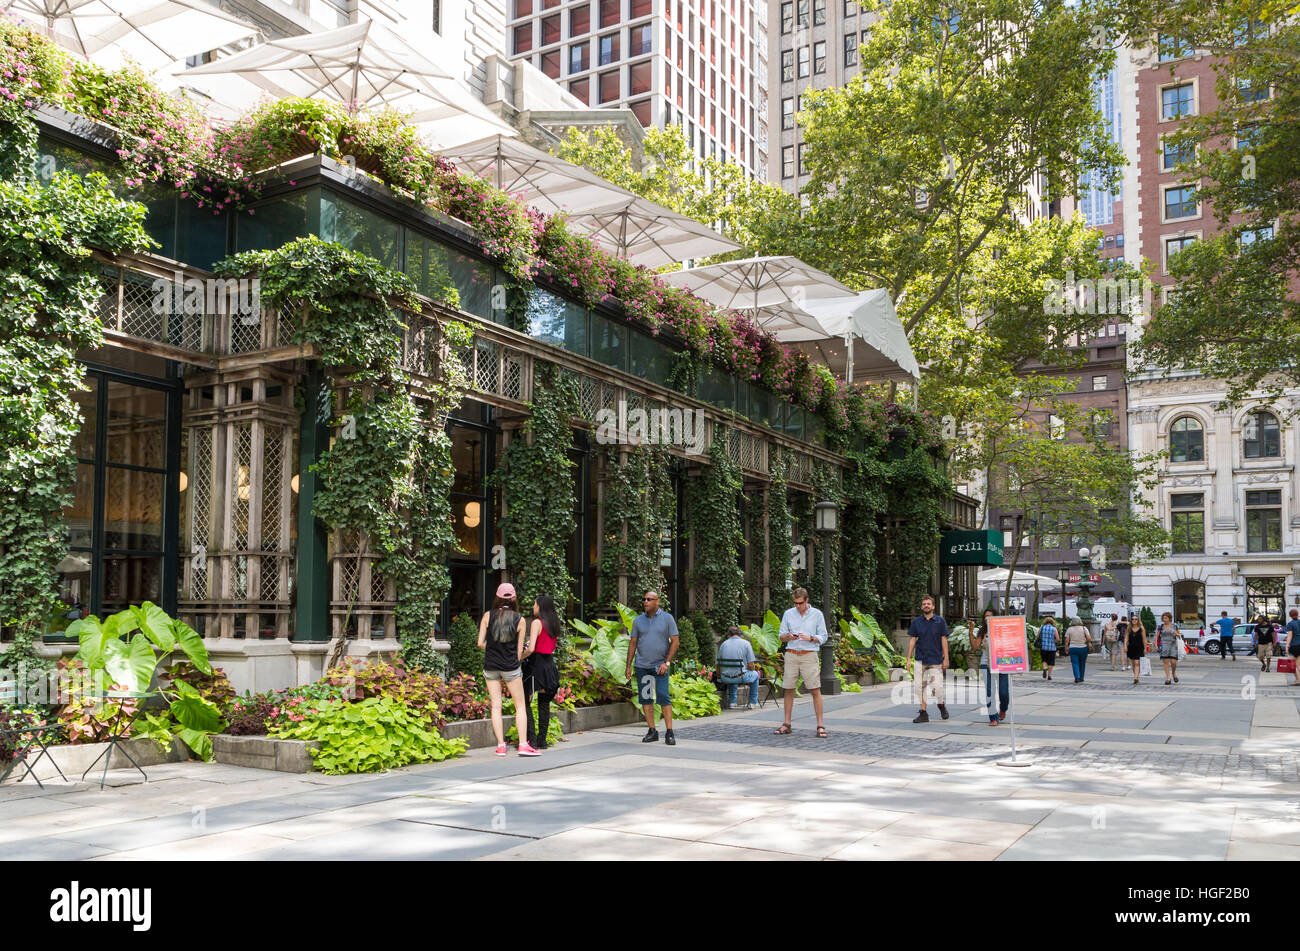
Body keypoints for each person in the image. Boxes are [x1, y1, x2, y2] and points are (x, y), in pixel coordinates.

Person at [477, 583, 541, 757]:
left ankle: (500, 746)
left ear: (497, 597)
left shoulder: (487, 616)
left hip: (491, 666)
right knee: (520, 706)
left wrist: (492, 651)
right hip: (511, 667)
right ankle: (522, 744)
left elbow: (480, 643)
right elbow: (520, 651)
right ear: (513, 598)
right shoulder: (519, 619)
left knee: (495, 706)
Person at [625, 589, 680, 745]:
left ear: (657, 602)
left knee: (663, 696)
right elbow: (633, 643)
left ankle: (669, 732)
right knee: (646, 698)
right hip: (643, 666)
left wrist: (666, 662)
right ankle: (652, 731)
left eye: (649, 599)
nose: (646, 602)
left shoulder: (667, 619)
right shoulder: (638, 621)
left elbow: (675, 641)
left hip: (659, 666)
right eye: (645, 599)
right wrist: (628, 666)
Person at [773, 587, 830, 737]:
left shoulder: (817, 614)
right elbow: (781, 636)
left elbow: (824, 636)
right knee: (788, 689)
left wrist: (810, 638)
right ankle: (787, 724)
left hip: (809, 655)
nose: (797, 606)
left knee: (815, 689)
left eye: (800, 603)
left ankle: (820, 725)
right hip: (792, 654)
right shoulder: (788, 614)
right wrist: (788, 636)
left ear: (806, 600)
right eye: (795, 603)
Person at [521, 593, 561, 750]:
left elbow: (531, 649)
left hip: (535, 665)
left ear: (540, 607)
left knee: (525, 702)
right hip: (549, 665)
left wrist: (519, 657)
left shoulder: (537, 623)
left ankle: (532, 739)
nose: (533, 607)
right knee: (544, 704)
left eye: (535, 604)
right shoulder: (554, 623)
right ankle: (542, 740)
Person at [905, 594, 950, 724]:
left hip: (936, 659)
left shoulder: (940, 621)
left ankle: (941, 704)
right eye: (924, 604)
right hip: (920, 659)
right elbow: (912, 640)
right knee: (920, 687)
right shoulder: (916, 622)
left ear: (933, 606)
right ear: (921, 607)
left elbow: (944, 639)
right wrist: (908, 658)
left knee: (937, 688)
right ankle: (923, 713)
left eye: (928, 604)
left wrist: (946, 658)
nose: (926, 606)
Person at [970, 608, 1007, 726]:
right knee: (990, 692)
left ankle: (1003, 709)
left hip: (1001, 663)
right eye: (985, 616)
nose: (987, 618)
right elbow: (975, 647)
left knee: (1004, 692)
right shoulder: (982, 631)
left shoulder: (1002, 630)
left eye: (990, 616)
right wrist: (970, 632)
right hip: (986, 664)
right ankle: (993, 717)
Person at [717, 626, 762, 709]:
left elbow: (718, 664)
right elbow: (751, 665)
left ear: (729, 635)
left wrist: (719, 676)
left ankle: (732, 702)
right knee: (755, 674)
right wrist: (750, 669)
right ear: (740, 635)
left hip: (725, 678)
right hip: (740, 678)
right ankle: (752, 702)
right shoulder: (746, 643)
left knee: (732, 673)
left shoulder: (723, 644)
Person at [1063, 617, 1092, 682]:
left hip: (1073, 648)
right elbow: (1089, 638)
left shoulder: (1069, 629)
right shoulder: (1084, 628)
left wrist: (1066, 647)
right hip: (1083, 648)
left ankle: (1077, 677)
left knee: (1075, 663)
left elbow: (1067, 640)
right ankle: (1081, 677)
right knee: (1082, 663)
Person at [1156, 611, 1182, 685]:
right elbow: (1157, 636)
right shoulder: (1160, 626)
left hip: (1173, 645)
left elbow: (1179, 636)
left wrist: (1176, 634)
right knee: (1166, 662)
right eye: (1163, 618)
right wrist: (1156, 645)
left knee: (1173, 662)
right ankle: (1168, 678)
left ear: (1170, 618)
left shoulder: (1174, 626)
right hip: (1164, 646)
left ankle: (1174, 673)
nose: (1164, 619)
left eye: (1166, 618)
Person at [1124, 612, 1149, 684]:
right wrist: (1125, 646)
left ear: (1138, 620)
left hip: (1139, 647)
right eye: (1133, 619)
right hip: (1131, 647)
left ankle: (1136, 678)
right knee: (1133, 663)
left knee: (1137, 662)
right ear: (1131, 620)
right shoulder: (1129, 628)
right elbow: (1126, 638)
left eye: (1136, 619)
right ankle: (1136, 675)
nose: (1134, 620)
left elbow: (1144, 639)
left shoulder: (1141, 628)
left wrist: (1145, 648)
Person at [1039, 616, 1059, 680]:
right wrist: (1054, 641)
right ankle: (1049, 675)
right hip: (1052, 648)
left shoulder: (1042, 627)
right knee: (1051, 662)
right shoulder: (1054, 629)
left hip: (1043, 647)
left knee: (1044, 659)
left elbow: (1037, 636)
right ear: (1052, 622)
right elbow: (1058, 639)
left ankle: (1044, 668)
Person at [1285, 609, 1300, 686]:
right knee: (1298, 664)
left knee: (1292, 665)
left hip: (1294, 646)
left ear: (1290, 615)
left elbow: (1289, 636)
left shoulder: (1290, 624)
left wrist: (1287, 646)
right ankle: (1298, 680)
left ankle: (1298, 680)